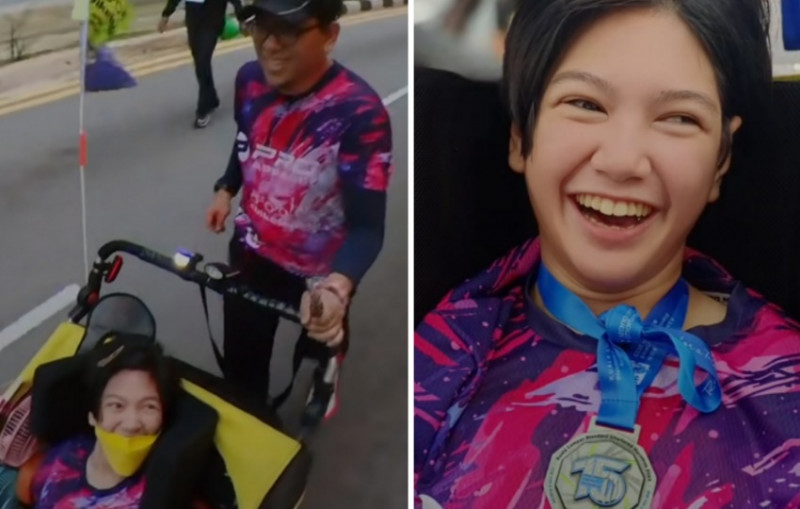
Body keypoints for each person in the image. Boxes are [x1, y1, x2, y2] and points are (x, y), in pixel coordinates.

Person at [414, 1, 800, 508]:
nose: (621, 162)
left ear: (721, 162)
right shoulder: (435, 360)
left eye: (680, 118)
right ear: (519, 136)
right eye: (585, 104)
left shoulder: (786, 388)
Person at [205, 0, 393, 431]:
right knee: (241, 372)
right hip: (252, 253)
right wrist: (226, 187)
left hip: (318, 275)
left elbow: (368, 228)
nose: (270, 44)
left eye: (287, 29)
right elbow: (246, 137)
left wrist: (339, 288)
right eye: (260, 26)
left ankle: (323, 376)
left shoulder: (359, 113)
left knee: (314, 355)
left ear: (329, 35)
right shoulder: (249, 81)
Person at [30, 341, 179, 508]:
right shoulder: (64, 456)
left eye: (149, 406)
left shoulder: (162, 493)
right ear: (93, 415)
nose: (131, 424)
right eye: (117, 405)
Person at [159, 0, 244, 128]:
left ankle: (202, 110)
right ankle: (212, 98)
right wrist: (165, 15)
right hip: (193, 23)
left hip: (212, 22)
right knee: (200, 63)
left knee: (203, 61)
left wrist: (242, 19)